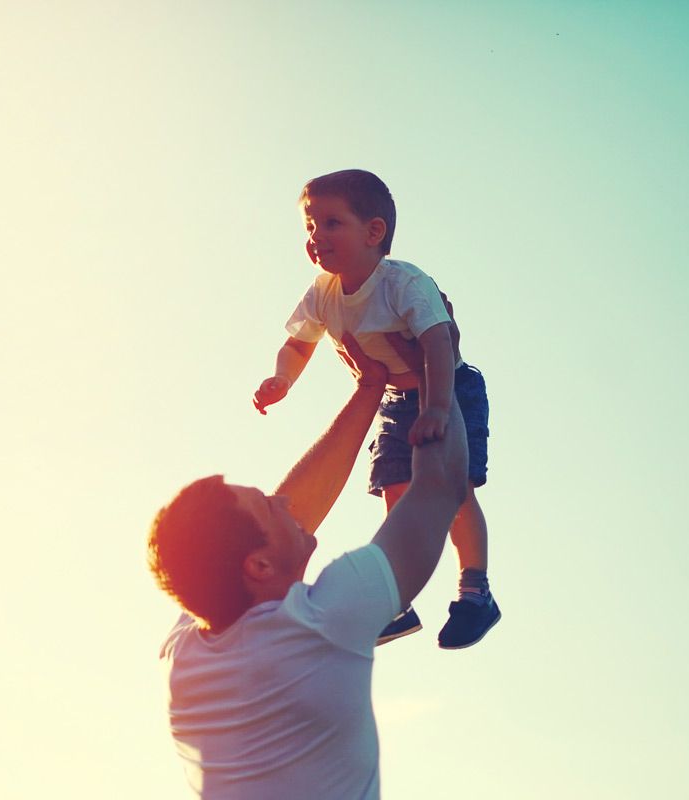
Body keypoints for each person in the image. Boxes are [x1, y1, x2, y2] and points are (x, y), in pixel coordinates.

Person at [148, 334, 467, 799]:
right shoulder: (319, 623)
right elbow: (440, 488)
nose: (283, 501)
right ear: (256, 566)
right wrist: (438, 371)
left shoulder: (186, 655)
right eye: (268, 505)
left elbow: (281, 524)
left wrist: (369, 391)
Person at [252, 168, 500, 649]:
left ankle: (476, 591)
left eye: (330, 223)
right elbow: (299, 344)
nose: (316, 237)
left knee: (452, 489)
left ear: (373, 232)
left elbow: (438, 344)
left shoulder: (402, 283)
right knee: (396, 491)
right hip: (395, 399)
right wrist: (282, 378)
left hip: (449, 386)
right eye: (309, 226)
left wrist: (438, 407)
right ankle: (397, 600)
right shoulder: (323, 293)